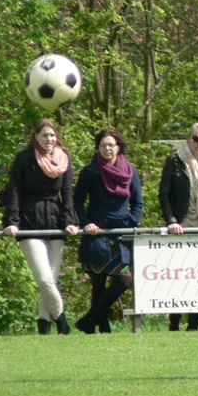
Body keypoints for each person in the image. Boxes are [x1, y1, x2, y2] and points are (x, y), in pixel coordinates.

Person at [2, 119, 79, 335]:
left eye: (52, 135)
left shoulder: (64, 158)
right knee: (44, 280)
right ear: (36, 136)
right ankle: (62, 323)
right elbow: (14, 190)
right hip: (29, 224)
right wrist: (12, 221)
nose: (49, 139)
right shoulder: (24, 159)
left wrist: (70, 221)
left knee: (51, 280)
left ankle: (43, 326)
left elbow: (67, 193)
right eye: (44, 135)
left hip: (56, 224)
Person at [73, 129, 143, 334]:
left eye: (111, 145)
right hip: (96, 232)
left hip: (121, 232)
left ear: (118, 147)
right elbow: (77, 203)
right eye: (103, 145)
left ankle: (88, 320)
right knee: (98, 284)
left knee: (123, 281)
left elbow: (137, 203)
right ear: (98, 148)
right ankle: (102, 328)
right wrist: (86, 223)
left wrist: (132, 221)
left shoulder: (130, 171)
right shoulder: (90, 172)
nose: (107, 149)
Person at [158, 122, 198, 331]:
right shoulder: (175, 160)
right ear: (188, 139)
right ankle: (174, 323)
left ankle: (193, 323)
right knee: (179, 277)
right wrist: (171, 221)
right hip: (182, 225)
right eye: (195, 139)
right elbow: (164, 194)